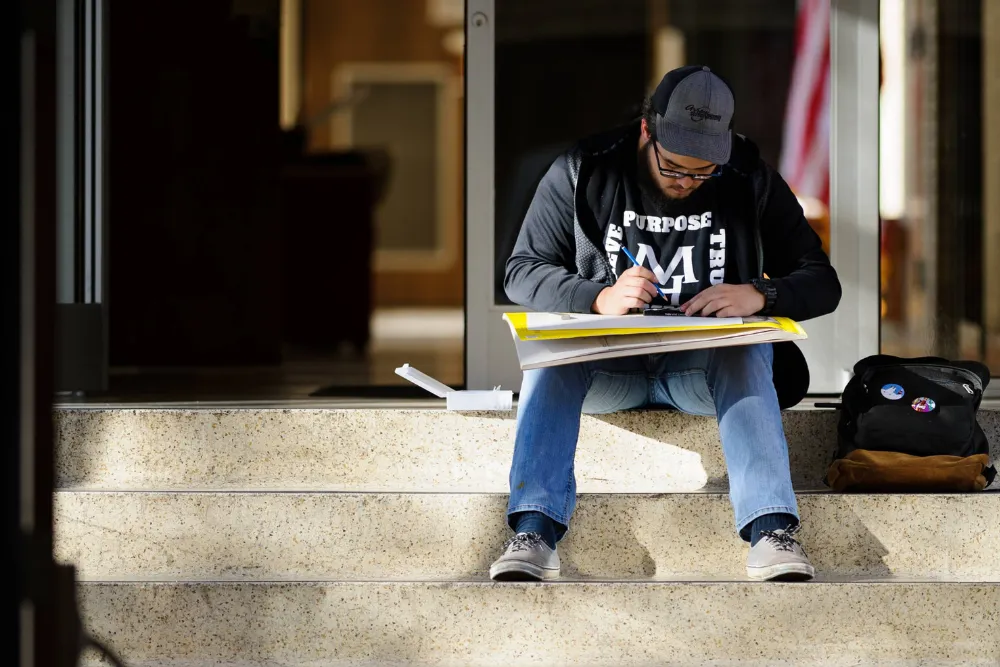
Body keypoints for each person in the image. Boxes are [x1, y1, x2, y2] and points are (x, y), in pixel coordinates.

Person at [490, 66, 842, 582]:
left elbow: (821, 281)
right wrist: (598, 298)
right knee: (552, 353)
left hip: (699, 378)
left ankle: (772, 531)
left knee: (747, 346)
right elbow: (521, 271)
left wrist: (759, 294)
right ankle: (534, 532)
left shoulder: (747, 177)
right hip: (608, 373)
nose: (685, 182)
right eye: (674, 167)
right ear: (646, 132)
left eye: (702, 173)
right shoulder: (584, 168)